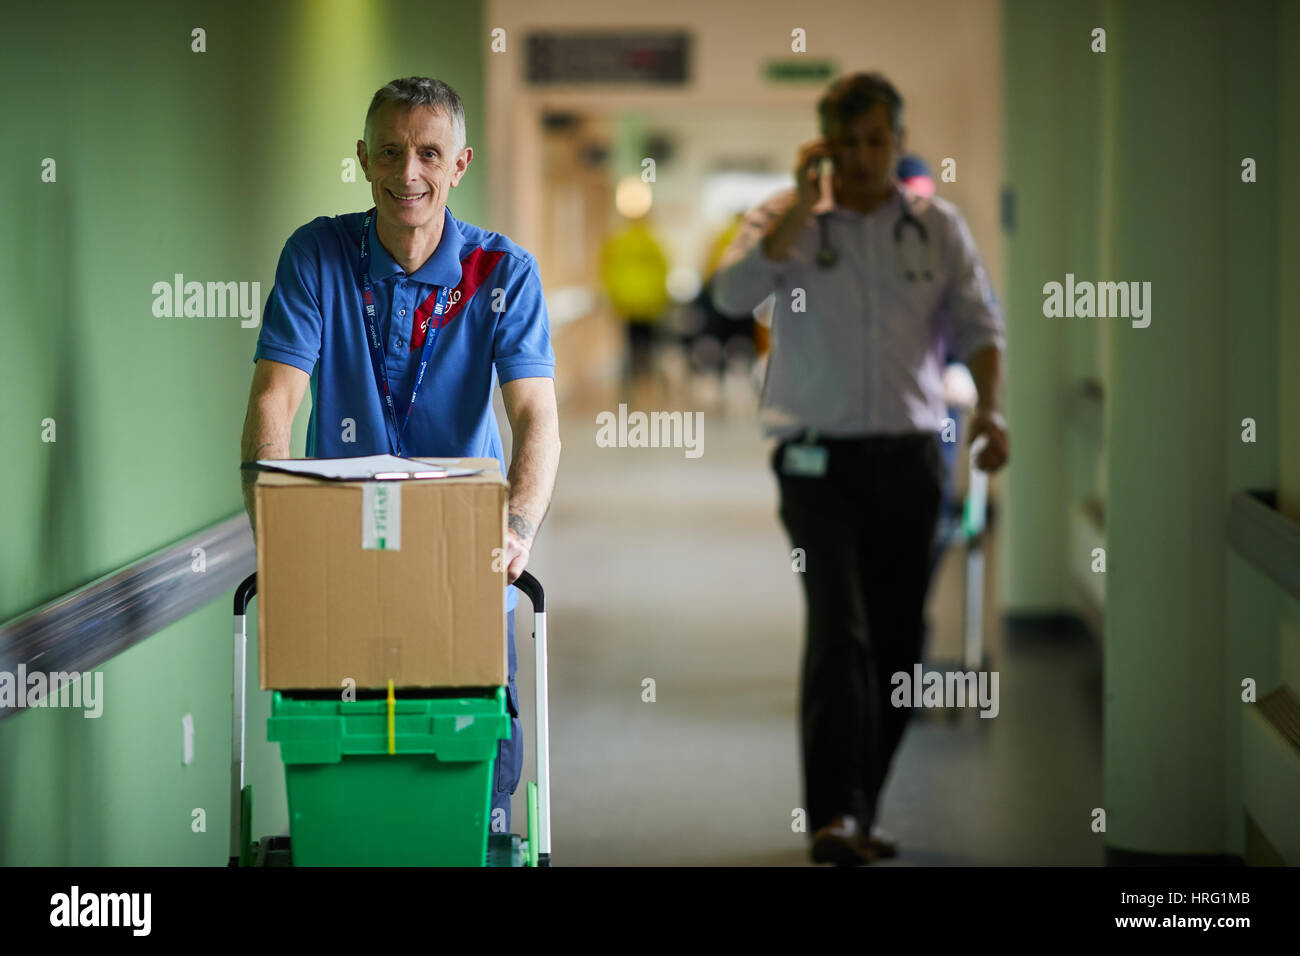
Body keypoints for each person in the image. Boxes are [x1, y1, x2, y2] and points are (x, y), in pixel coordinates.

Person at [239, 76, 561, 834]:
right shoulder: (317, 255)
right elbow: (273, 401)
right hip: (338, 559)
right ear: (363, 159)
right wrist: (276, 533)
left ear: (460, 165)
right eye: (389, 151)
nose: (406, 171)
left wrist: (516, 527)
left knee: (467, 768)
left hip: (462, 563)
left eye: (427, 152)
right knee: (350, 777)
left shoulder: (502, 273)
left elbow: (535, 414)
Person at [712, 72, 1009, 865]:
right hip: (815, 463)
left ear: (898, 143)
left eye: (876, 140)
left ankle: (861, 808)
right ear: (823, 145)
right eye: (847, 142)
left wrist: (993, 411)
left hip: (913, 456)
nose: (863, 157)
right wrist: (798, 213)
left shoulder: (937, 228)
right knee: (841, 629)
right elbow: (733, 294)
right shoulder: (785, 218)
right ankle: (834, 819)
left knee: (900, 642)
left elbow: (981, 324)